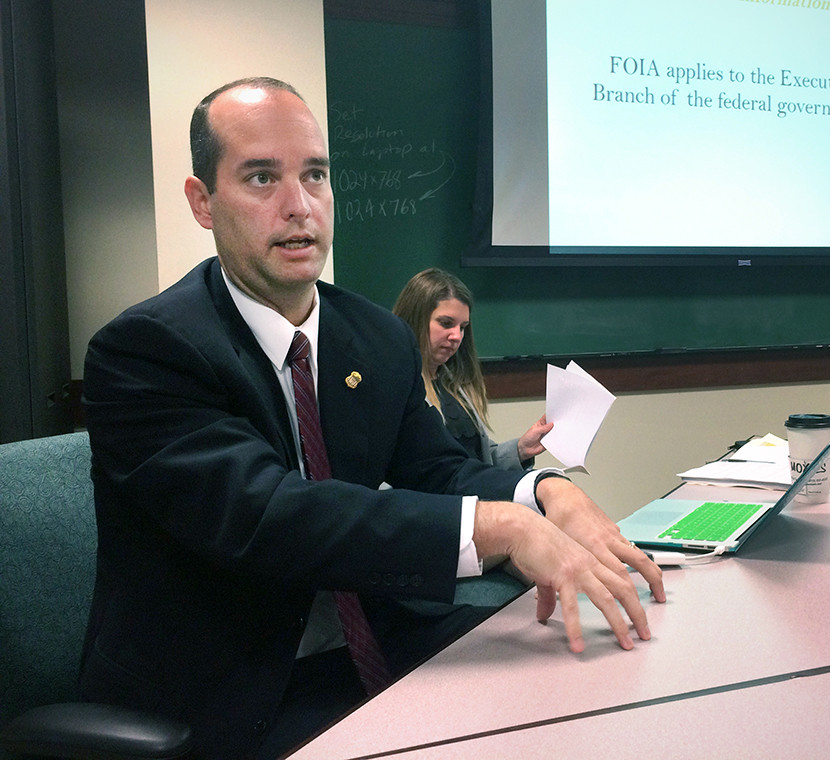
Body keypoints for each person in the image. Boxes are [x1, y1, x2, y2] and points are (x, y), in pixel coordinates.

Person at [79, 76, 664, 759]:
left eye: (316, 176)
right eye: (262, 178)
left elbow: (435, 468)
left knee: (589, 704)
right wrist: (499, 526)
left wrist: (544, 492)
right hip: (233, 687)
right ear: (202, 202)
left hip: (376, 644)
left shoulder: (375, 336)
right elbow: (270, 516)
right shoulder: (148, 350)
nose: (299, 207)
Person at [393, 267, 551, 471]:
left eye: (462, 327)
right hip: (436, 503)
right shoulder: (395, 388)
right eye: (446, 323)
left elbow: (478, 463)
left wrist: (520, 449)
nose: (457, 336)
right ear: (415, 319)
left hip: (473, 500)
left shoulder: (454, 384)